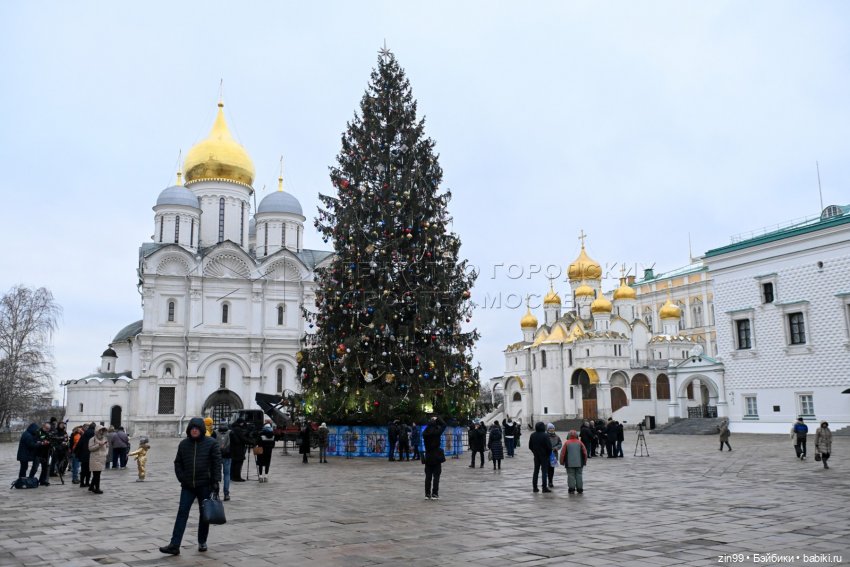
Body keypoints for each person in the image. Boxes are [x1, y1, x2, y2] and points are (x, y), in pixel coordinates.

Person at [159, 417, 222, 555]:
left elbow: (217, 462)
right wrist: (182, 478)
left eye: (197, 428)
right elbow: (178, 463)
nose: (194, 430)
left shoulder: (211, 443)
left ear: (201, 429)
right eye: (192, 428)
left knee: (204, 515)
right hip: (188, 485)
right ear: (189, 430)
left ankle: (202, 541)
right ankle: (175, 544)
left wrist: (216, 481)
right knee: (182, 512)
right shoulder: (184, 444)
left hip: (205, 484)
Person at [422, 415, 446, 499]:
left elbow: (427, 429)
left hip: (428, 455)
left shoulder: (425, 433)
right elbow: (444, 425)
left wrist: (431, 421)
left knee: (428, 476)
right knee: (436, 476)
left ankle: (427, 494)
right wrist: (438, 418)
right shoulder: (437, 432)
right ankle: (435, 493)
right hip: (436, 455)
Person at [559, 430, 588, 494]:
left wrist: (561, 461)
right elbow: (585, 453)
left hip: (569, 463)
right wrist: (584, 461)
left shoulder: (567, 443)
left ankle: (571, 489)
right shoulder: (580, 443)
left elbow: (562, 453)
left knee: (571, 475)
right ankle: (579, 489)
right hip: (579, 463)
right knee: (579, 475)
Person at [528, 421, 552, 493]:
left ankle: (535, 487)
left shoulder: (532, 435)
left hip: (536, 455)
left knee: (536, 471)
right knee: (544, 472)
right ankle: (544, 487)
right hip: (544, 456)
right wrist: (547, 454)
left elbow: (530, 446)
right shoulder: (545, 435)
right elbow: (549, 447)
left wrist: (534, 452)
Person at [88, 425, 109, 494]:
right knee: (97, 474)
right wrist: (99, 445)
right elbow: (90, 448)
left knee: (97, 474)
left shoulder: (104, 438)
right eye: (100, 430)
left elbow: (107, 447)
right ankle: (97, 488)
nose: (101, 432)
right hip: (95, 458)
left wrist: (106, 453)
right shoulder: (92, 439)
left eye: (102, 431)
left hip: (102, 458)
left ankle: (91, 486)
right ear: (97, 431)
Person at [75, 423, 95, 488]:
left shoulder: (84, 434)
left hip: (83, 455)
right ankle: (87, 482)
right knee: (89, 470)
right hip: (91, 454)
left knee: (83, 469)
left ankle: (82, 483)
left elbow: (79, 444)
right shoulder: (94, 435)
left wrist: (77, 453)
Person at [216, 425, 231, 500]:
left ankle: (216, 493)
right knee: (227, 475)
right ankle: (226, 494)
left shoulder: (215, 433)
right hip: (227, 455)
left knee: (216, 474)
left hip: (217, 455)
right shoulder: (230, 433)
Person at [545, 424, 562, 488]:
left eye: (552, 428)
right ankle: (546, 481)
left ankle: (550, 481)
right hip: (546, 455)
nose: (552, 429)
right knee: (546, 469)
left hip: (554, 455)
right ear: (548, 429)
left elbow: (560, 444)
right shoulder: (545, 436)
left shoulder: (557, 436)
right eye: (550, 428)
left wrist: (555, 448)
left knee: (552, 469)